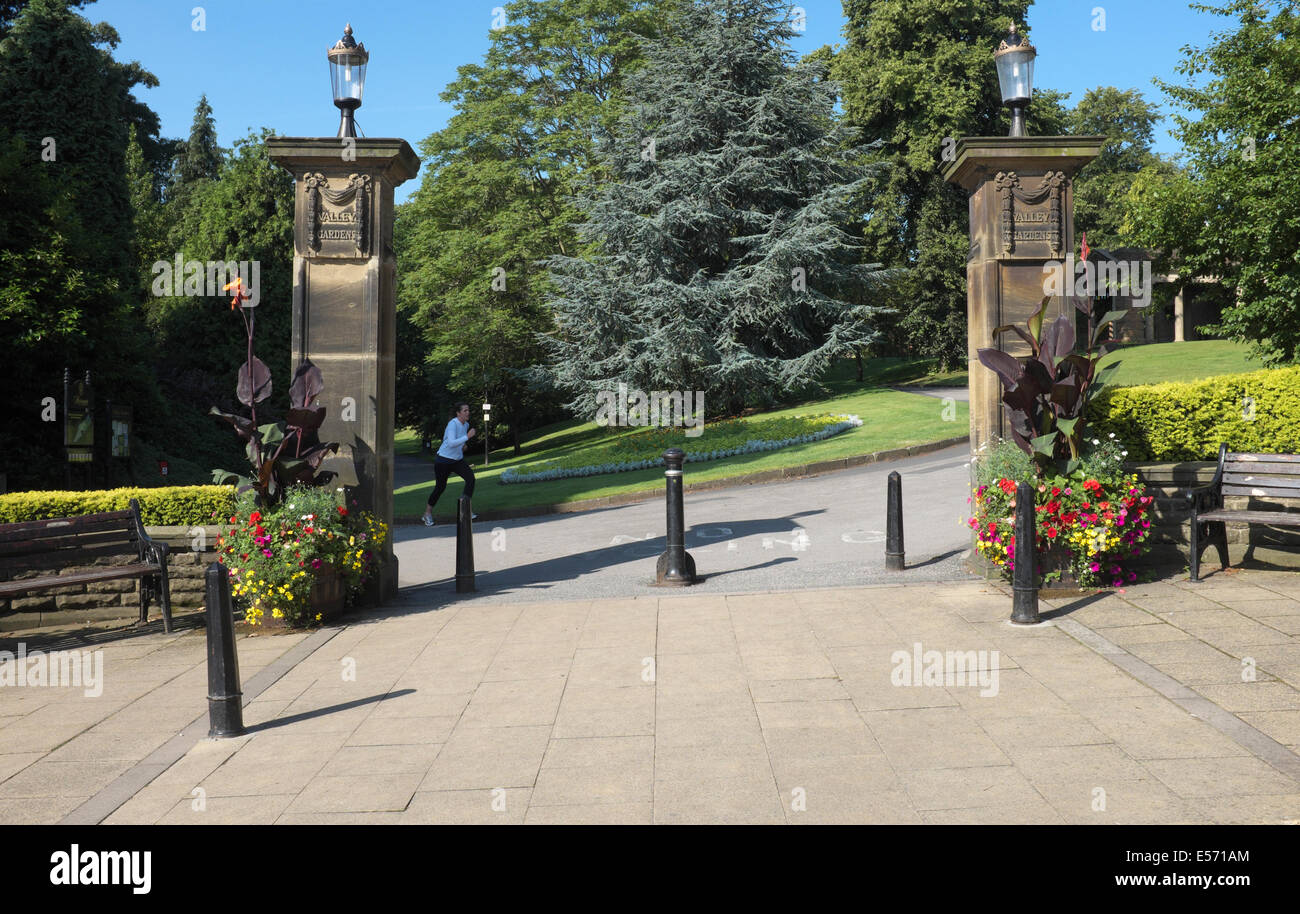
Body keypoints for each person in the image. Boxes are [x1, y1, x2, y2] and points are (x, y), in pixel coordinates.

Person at [423, 402, 477, 526]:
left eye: (468, 410)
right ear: (458, 413)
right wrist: (467, 437)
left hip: (457, 460)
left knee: (471, 479)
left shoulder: (466, 424)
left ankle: (464, 509)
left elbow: (456, 442)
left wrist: (463, 445)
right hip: (443, 460)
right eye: (465, 410)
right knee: (440, 487)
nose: (468, 412)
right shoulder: (453, 424)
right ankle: (427, 514)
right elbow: (451, 443)